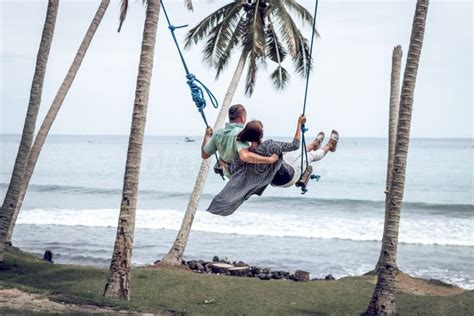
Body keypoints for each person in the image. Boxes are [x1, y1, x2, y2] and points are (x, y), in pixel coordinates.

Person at [206, 115, 339, 216]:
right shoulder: (270, 145)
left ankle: (313, 145)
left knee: (291, 154)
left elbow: (230, 169)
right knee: (310, 157)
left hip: (277, 177)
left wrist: (222, 160)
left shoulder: (244, 155)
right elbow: (295, 144)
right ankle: (329, 146)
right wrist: (299, 124)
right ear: (261, 134)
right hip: (291, 177)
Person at [201, 104, 279, 177]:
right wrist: (269, 160)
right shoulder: (241, 133)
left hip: (229, 173)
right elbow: (244, 156)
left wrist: (207, 136)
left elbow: (204, 155)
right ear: (243, 118)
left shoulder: (218, 133)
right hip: (243, 175)